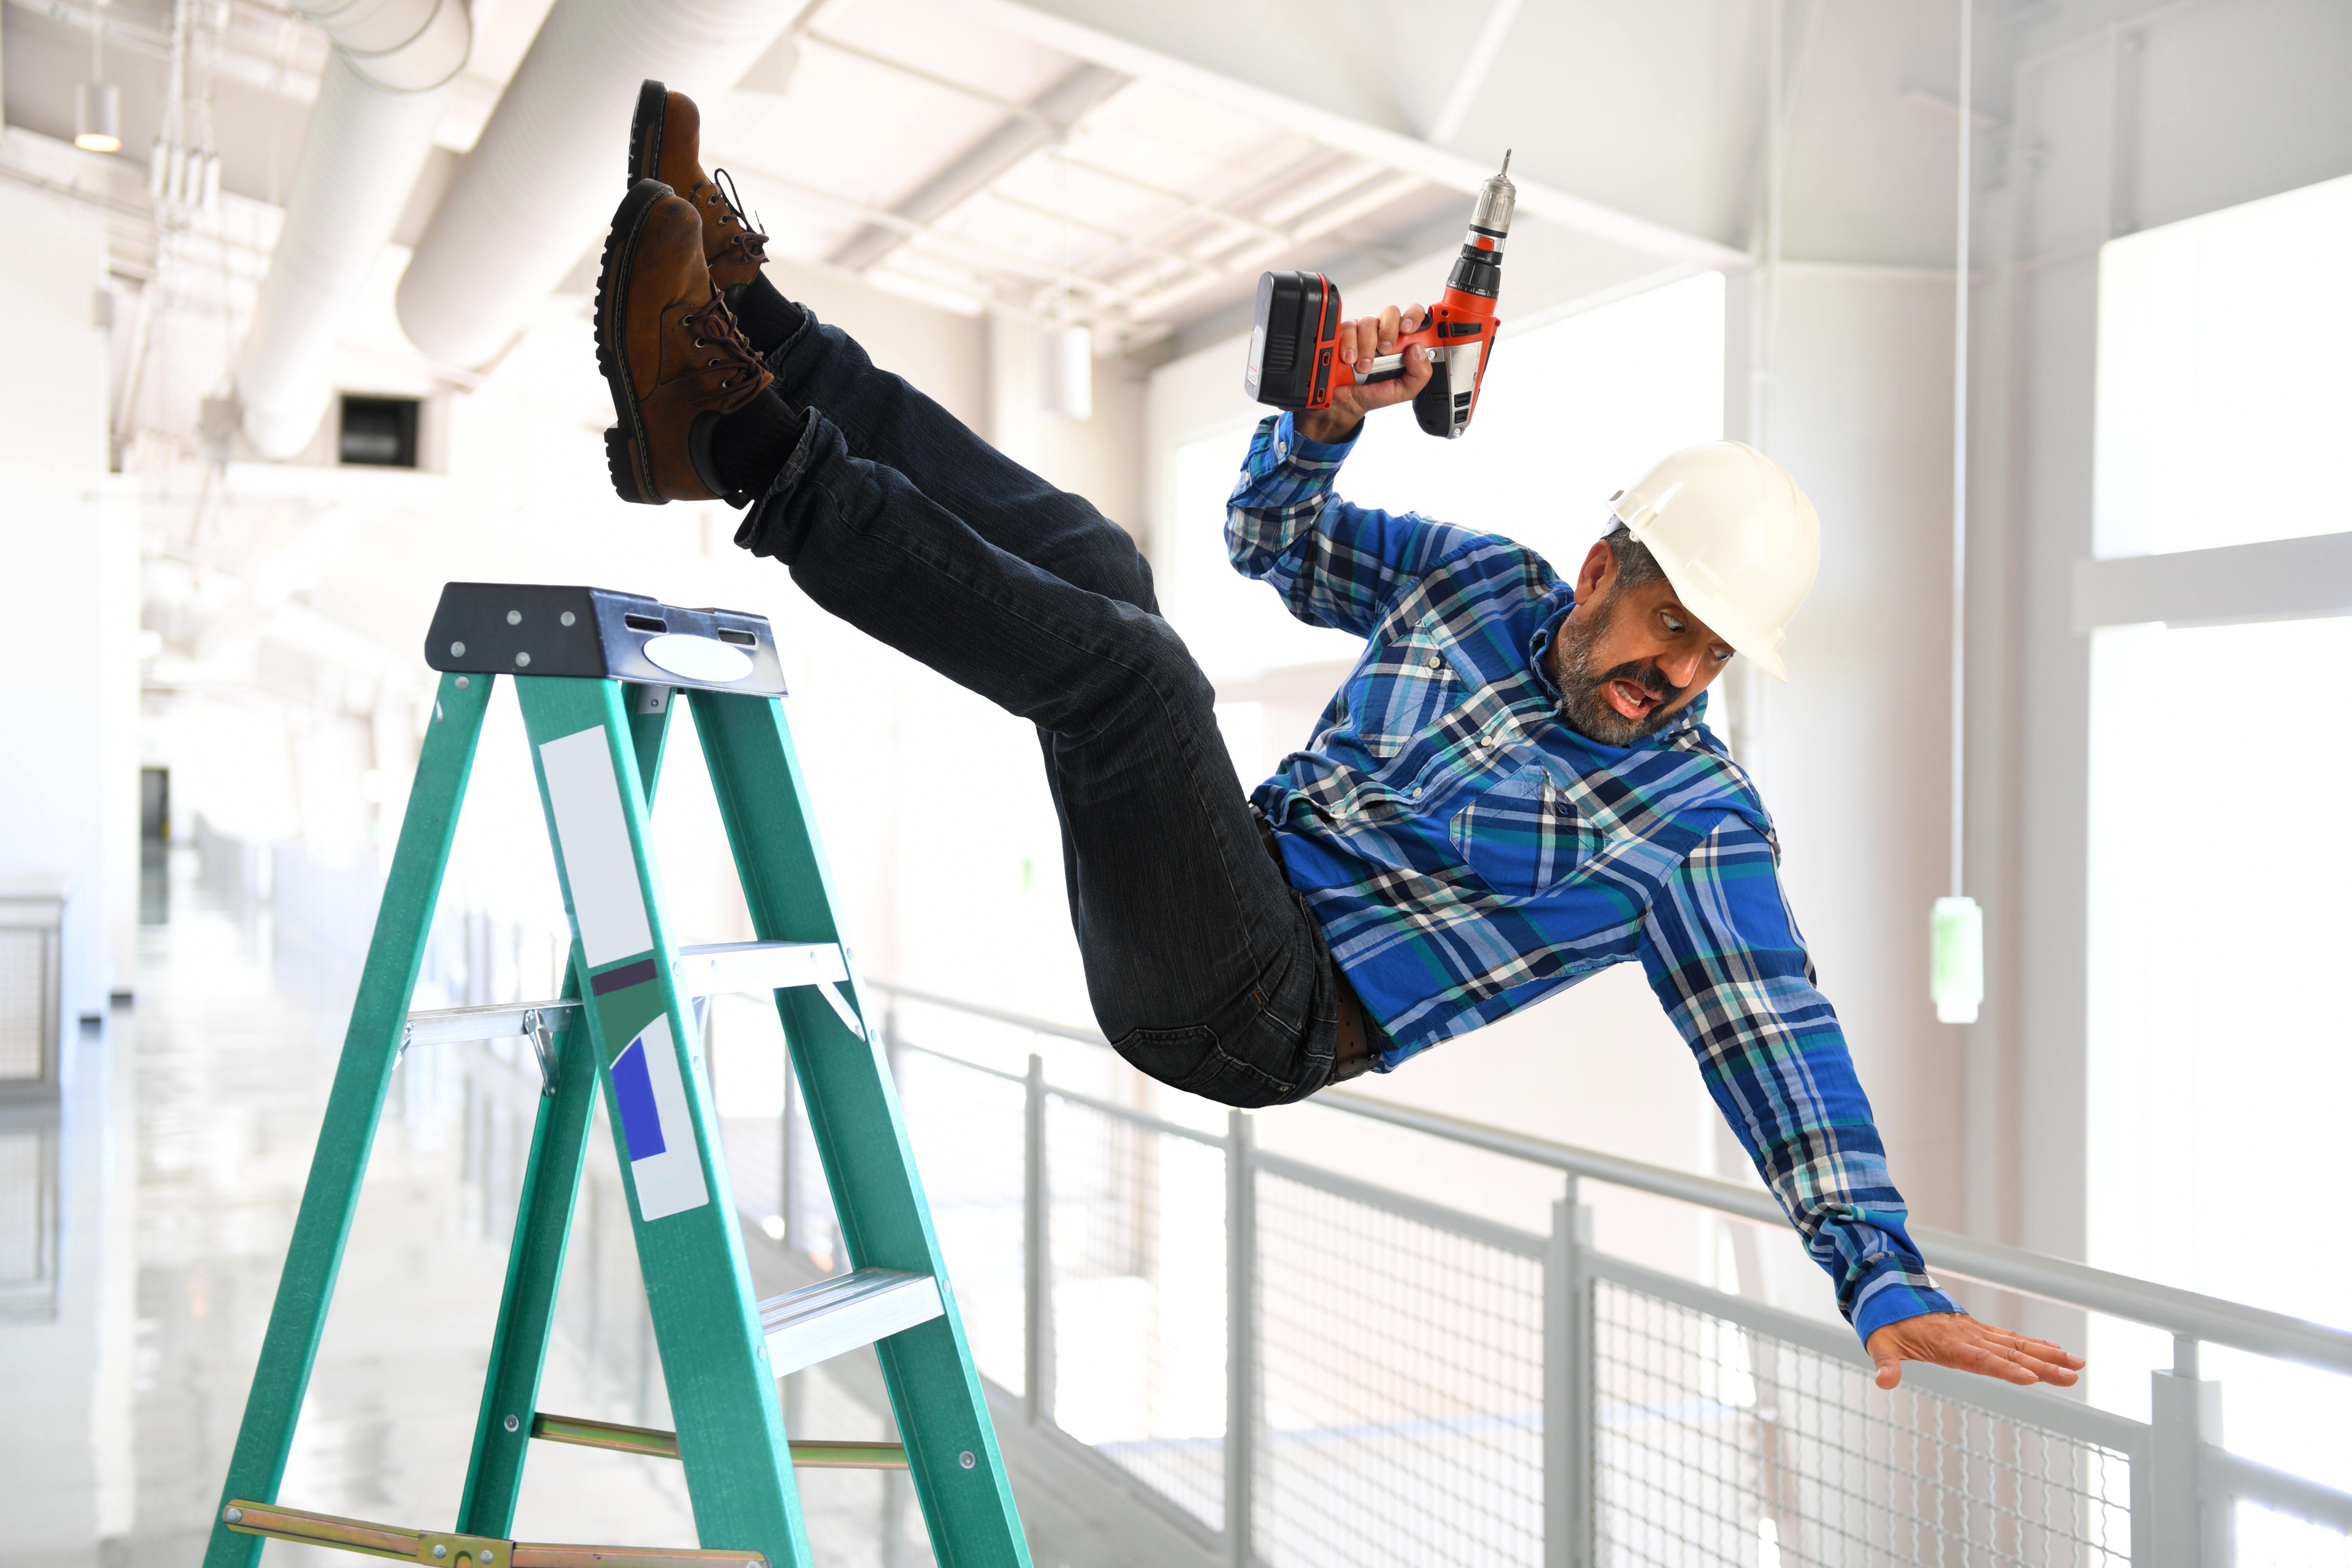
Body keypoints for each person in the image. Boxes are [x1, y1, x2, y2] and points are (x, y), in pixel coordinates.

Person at [597, 82, 2084, 1395]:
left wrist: (1881, 1276)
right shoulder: (1476, 583)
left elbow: (1782, 1047)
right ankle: (762, 342)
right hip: (1228, 875)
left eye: (1710, 654)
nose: (1678, 673)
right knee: (1111, 568)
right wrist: (1324, 420)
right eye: (1669, 623)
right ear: (1599, 570)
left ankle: (735, 447)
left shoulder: (1694, 829)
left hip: (1260, 1014)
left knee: (1136, 682)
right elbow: (1269, 537)